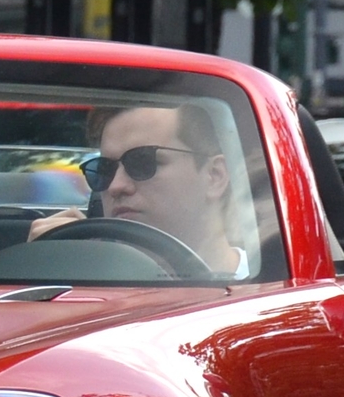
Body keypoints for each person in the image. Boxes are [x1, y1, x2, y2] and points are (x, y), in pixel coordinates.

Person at [28, 101, 246, 275]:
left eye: (143, 163)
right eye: (104, 169)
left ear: (215, 176)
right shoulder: (78, 280)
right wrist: (38, 273)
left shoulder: (270, 301)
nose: (116, 186)